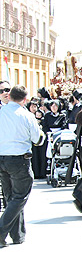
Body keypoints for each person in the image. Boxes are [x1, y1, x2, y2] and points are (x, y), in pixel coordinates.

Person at [0, 85, 45, 246]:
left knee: (11, 197)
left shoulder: (1, 112)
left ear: (10, 96)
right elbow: (37, 139)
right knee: (19, 197)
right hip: (19, 159)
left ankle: (17, 235)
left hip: (2, 158)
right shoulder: (26, 115)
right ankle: (1, 232)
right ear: (25, 99)